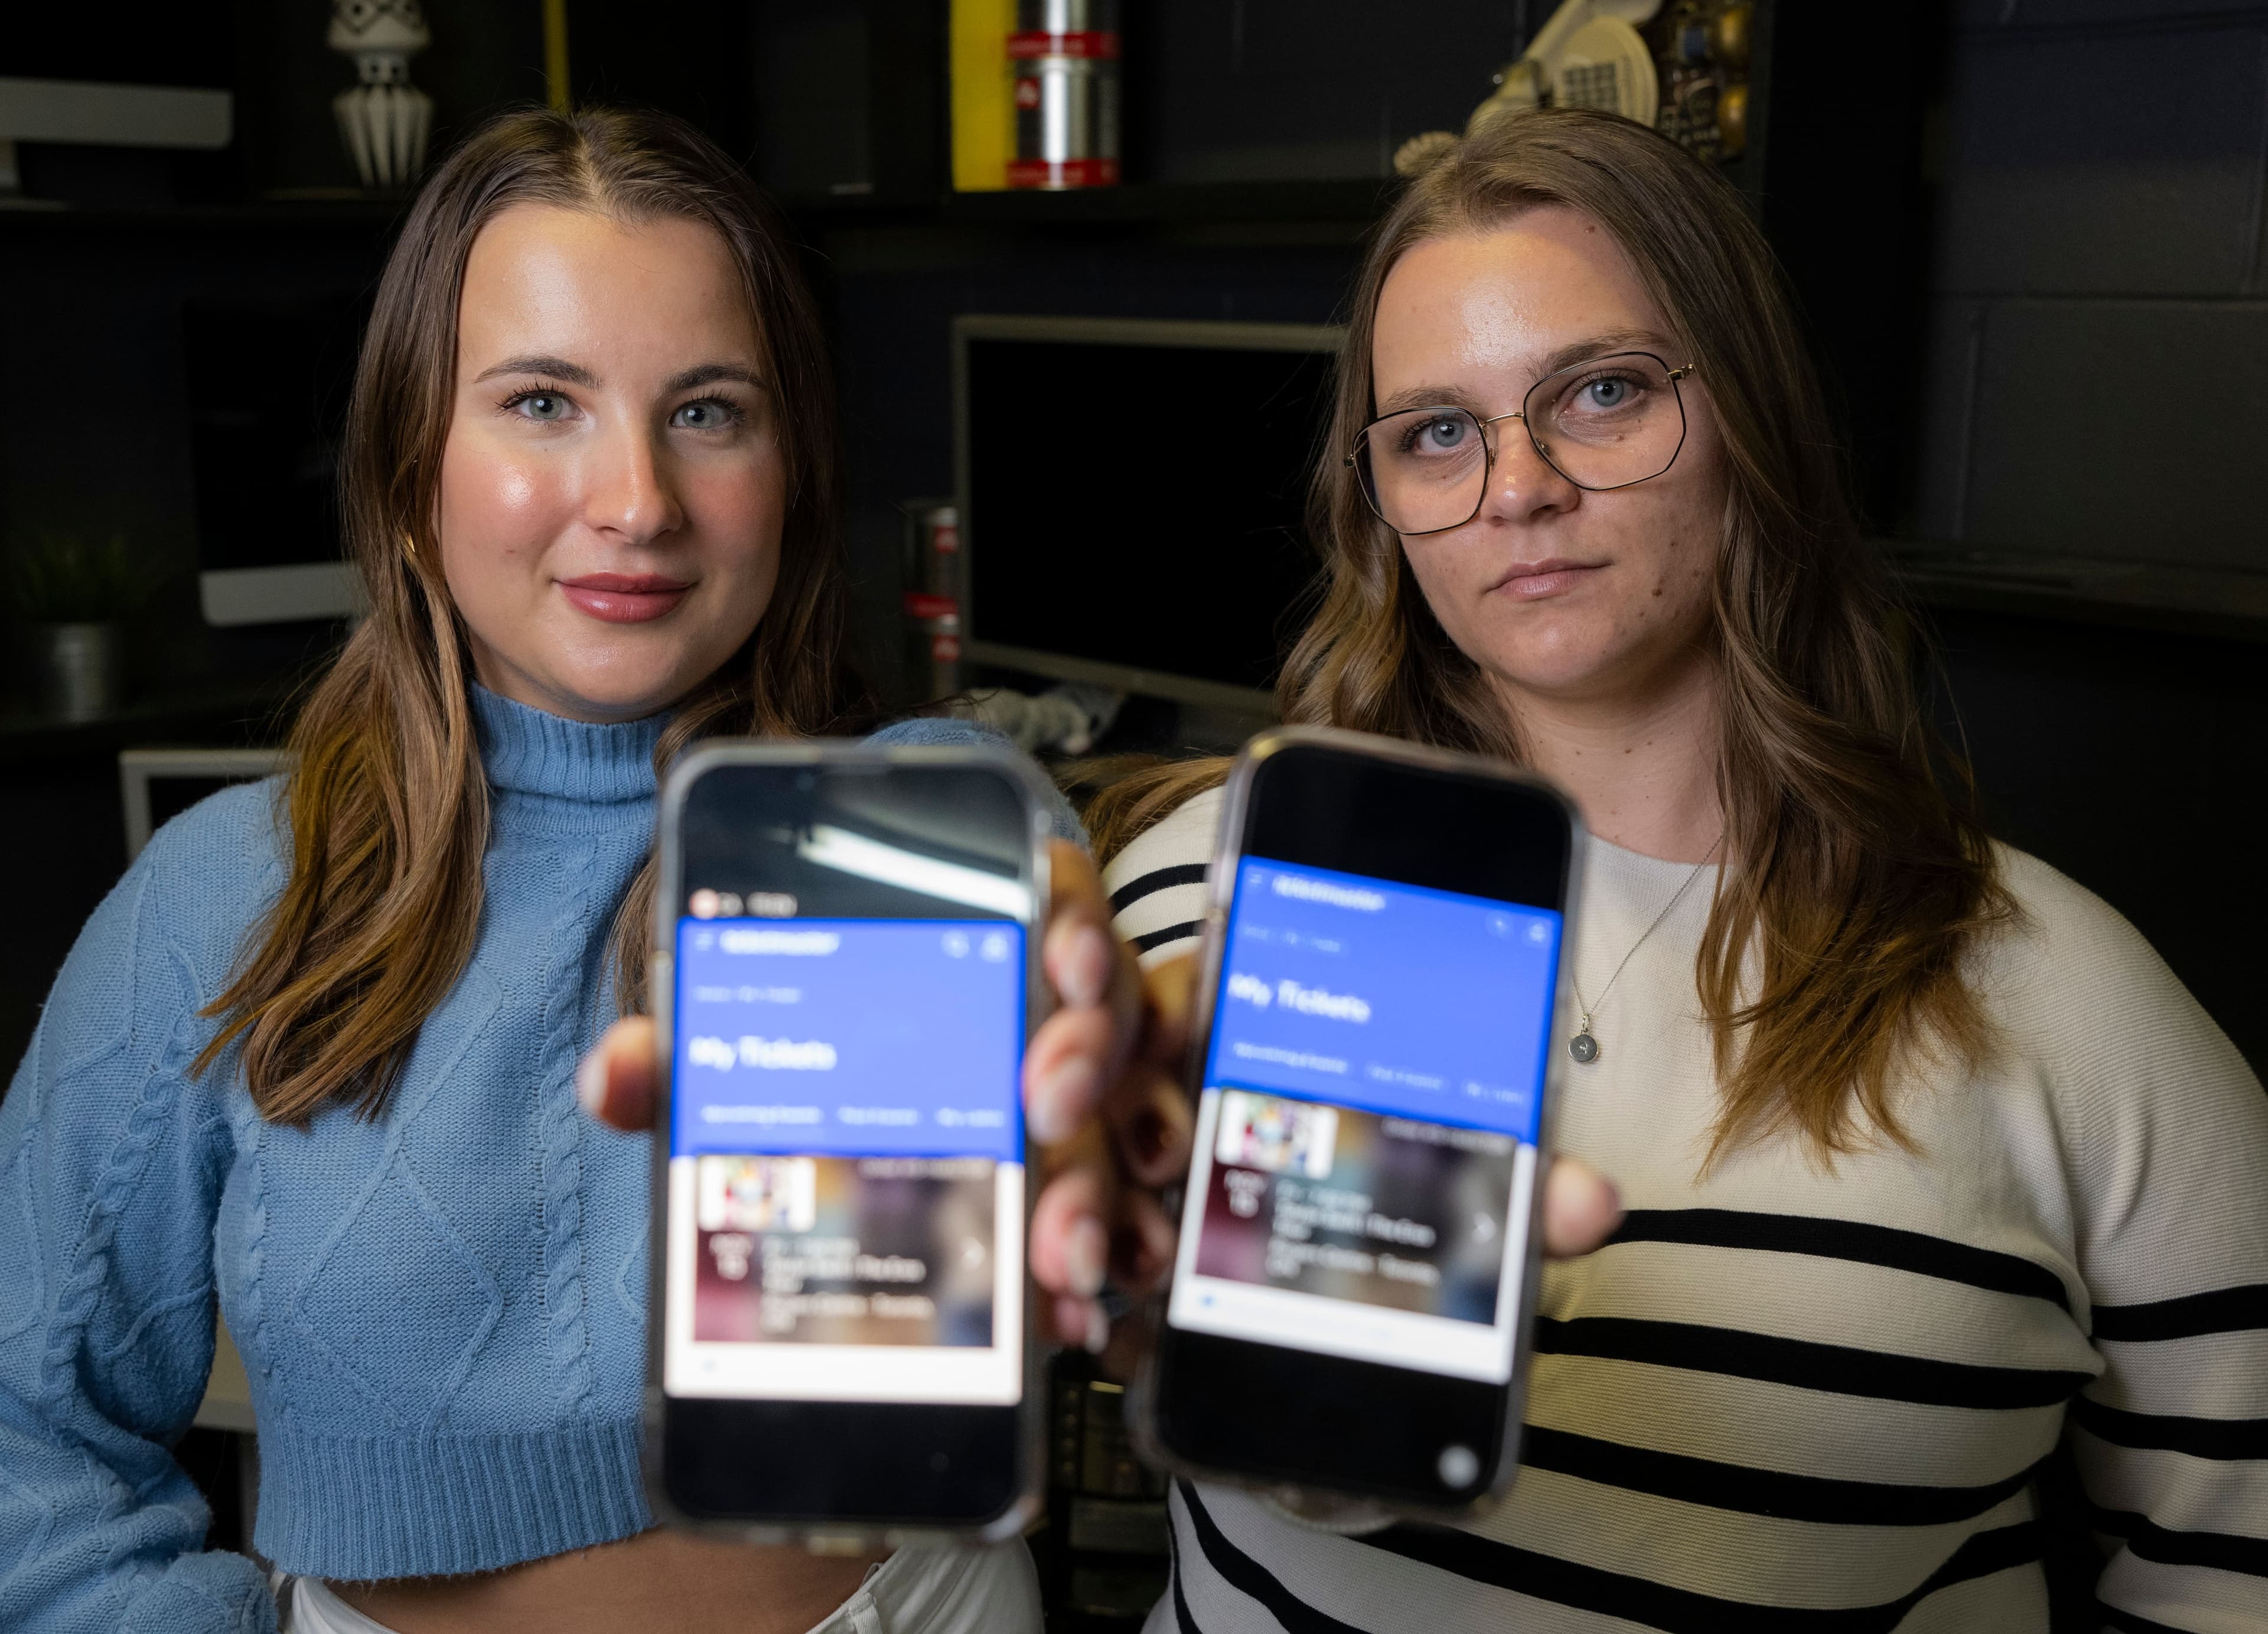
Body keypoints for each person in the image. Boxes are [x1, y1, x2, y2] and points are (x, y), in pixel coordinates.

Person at [1074, 108, 2268, 1629]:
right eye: (1438, 431)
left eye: (1603, 394)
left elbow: (2237, 1555)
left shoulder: (2061, 1004)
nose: (1517, 488)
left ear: (1752, 416)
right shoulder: (1206, 901)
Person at [0, 105, 1147, 1634]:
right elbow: (23, 1423)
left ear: (789, 463)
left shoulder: (924, 810)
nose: (637, 501)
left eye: (708, 410)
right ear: (417, 463)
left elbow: (1071, 1106)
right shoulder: (220, 900)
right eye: (544, 401)